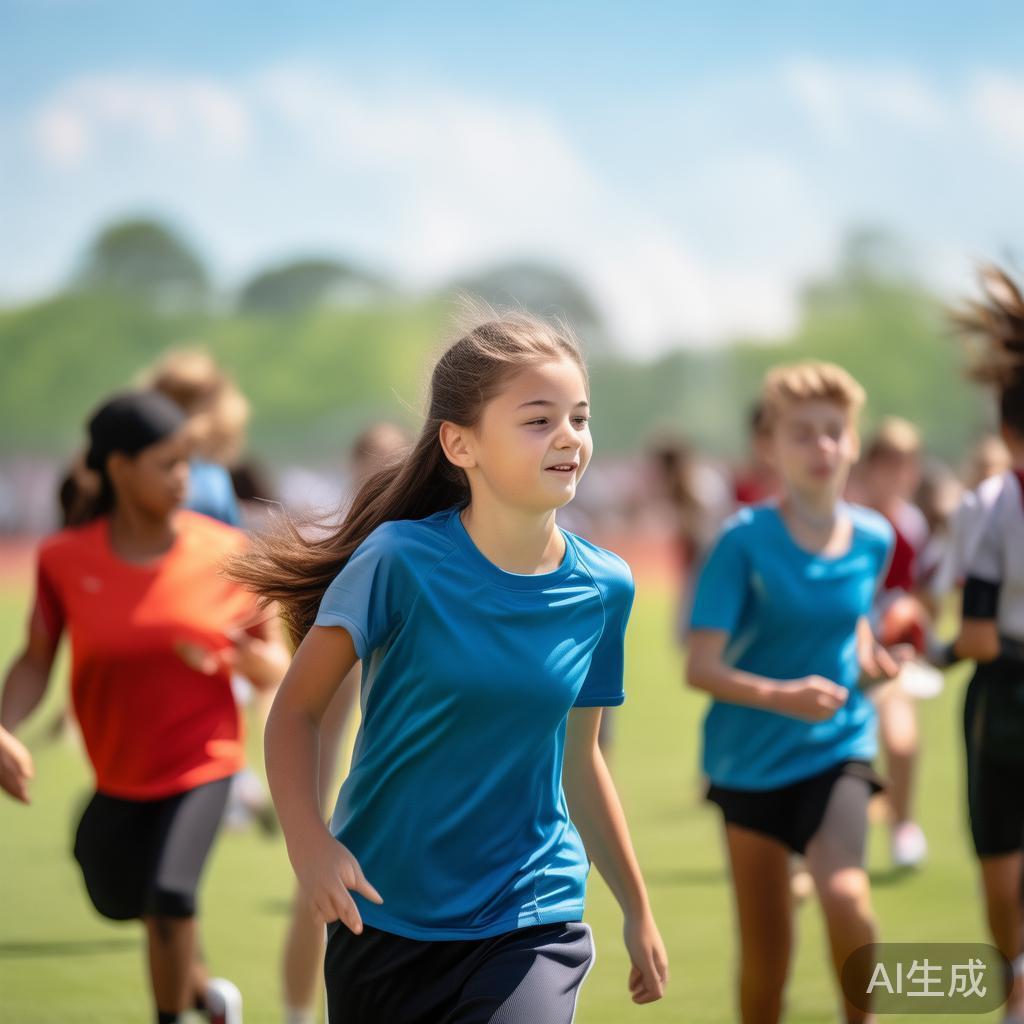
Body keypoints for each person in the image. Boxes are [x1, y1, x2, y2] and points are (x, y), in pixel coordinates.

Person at [228, 310, 668, 1023]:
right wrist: (309, 845)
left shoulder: (605, 587)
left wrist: (636, 910)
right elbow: (296, 713)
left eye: (579, 418)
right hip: (382, 913)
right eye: (538, 420)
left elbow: (579, 763)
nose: (569, 438)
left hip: (531, 915)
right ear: (461, 444)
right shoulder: (397, 561)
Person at [0, 391, 291, 1024]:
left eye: (187, 461)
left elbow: (276, 666)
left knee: (170, 894)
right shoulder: (64, 560)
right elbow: (34, 660)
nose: (184, 477)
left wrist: (233, 656)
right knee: (118, 895)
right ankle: (203, 995)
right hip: (119, 772)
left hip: (204, 761)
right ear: (119, 469)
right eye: (167, 464)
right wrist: (4, 728)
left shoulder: (228, 552)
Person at [687, 361, 901, 1024]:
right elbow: (701, 668)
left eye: (835, 432)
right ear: (769, 447)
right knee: (766, 961)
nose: (822, 447)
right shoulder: (741, 541)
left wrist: (874, 662)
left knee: (847, 898)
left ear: (855, 442)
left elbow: (854, 628)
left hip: (837, 744)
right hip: (748, 759)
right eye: (802, 434)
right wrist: (785, 695)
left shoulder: (875, 538)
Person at [280, 420, 411, 1024]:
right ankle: (296, 1014)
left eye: (396, 462)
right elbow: (299, 696)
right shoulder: (351, 550)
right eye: (374, 463)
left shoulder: (421, 540)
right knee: (316, 884)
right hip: (341, 706)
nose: (383, 474)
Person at [938, 264, 1024, 1020]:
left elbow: (977, 634)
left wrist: (931, 655)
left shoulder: (994, 503)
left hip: (1006, 695)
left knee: (1002, 861)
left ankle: (1014, 990)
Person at [856, 418, 932, 868]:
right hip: (848, 652)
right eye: (888, 463)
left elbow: (922, 595)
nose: (897, 473)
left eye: (906, 464)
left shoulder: (914, 526)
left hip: (893, 654)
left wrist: (910, 615)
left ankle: (903, 824)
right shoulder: (854, 523)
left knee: (900, 743)